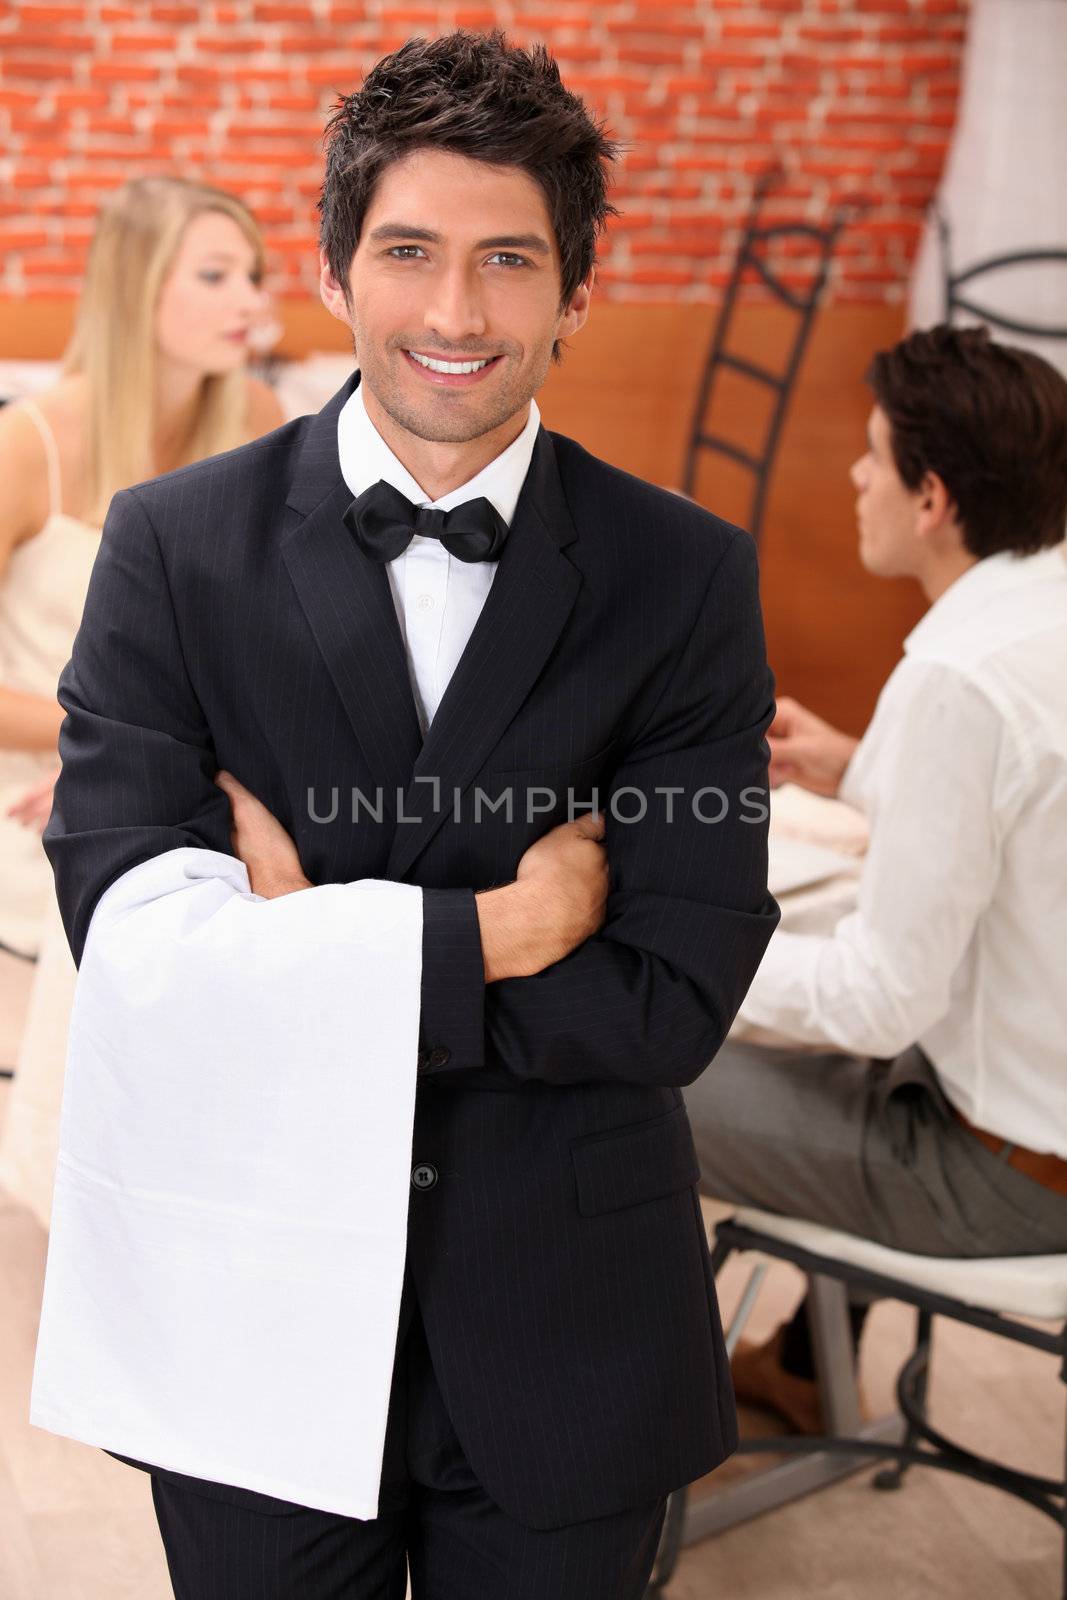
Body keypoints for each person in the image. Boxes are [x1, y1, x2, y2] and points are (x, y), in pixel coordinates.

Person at [32, 30, 779, 1600]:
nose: (454, 313)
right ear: (332, 269)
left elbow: (672, 990)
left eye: (509, 260)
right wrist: (492, 935)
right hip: (249, 1304)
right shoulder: (173, 547)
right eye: (410, 252)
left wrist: (303, 949)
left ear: (575, 292)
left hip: (567, 1323)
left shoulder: (683, 573)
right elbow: (135, 951)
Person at [684, 323, 1067, 1434]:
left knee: (612, 1055)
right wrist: (862, 770)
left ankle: (624, 1429)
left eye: (869, 455)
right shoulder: (1038, 613)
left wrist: (669, 948)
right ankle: (804, 1367)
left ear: (932, 497)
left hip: (997, 1172)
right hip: (1037, 1118)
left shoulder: (955, 674)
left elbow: (876, 1000)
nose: (855, 476)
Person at [0, 174, 285, 1222]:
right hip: (32, 776)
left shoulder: (255, 421)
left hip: (187, 778)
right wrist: (101, 747)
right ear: (135, 288)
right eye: (212, 275)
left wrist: (161, 758)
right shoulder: (27, 444)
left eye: (251, 274)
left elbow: (272, 655)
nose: (245, 299)